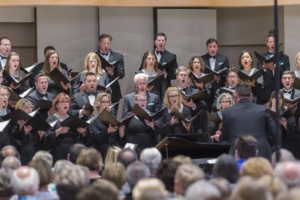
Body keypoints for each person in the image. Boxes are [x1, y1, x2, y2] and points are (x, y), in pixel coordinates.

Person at [211, 81, 276, 161]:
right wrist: (261, 140)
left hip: (238, 155)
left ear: (234, 96)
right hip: (261, 155)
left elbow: (226, 138)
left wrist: (219, 138)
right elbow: (274, 131)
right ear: (251, 96)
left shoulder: (228, 113)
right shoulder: (262, 110)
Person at [44, 93, 88, 163]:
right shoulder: (51, 118)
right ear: (57, 105)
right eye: (62, 102)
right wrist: (59, 131)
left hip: (72, 151)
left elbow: (78, 138)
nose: (65, 104)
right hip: (58, 151)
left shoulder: (72, 118)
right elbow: (45, 137)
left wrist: (83, 133)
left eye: (67, 102)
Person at [256, 32, 290, 104]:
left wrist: (274, 69)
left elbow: (287, 74)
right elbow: (257, 74)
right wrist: (264, 68)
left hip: (279, 91)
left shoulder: (284, 57)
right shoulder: (261, 58)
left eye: (274, 41)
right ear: (267, 44)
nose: (272, 43)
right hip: (265, 93)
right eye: (270, 42)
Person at [10, 99, 45, 165]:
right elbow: (14, 144)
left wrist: (40, 137)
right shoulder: (14, 123)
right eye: (26, 108)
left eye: (30, 107)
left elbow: (37, 144)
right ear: (20, 110)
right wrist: (24, 132)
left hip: (33, 156)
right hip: (21, 157)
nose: (29, 110)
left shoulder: (34, 123)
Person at [175, 66, 208, 133]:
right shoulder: (171, 92)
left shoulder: (196, 91)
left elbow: (204, 106)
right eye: (181, 75)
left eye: (185, 75)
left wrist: (193, 105)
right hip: (176, 127)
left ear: (188, 78)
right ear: (177, 77)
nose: (183, 76)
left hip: (193, 127)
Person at [96, 34, 125, 107]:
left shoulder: (118, 56)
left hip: (114, 92)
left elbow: (122, 74)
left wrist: (112, 73)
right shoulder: (94, 56)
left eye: (108, 44)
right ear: (99, 44)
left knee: (113, 116)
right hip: (98, 91)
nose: (106, 45)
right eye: (104, 43)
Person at [88, 93, 119, 159]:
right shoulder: (93, 118)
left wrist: (120, 128)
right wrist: (107, 131)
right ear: (98, 103)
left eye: (107, 102)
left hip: (113, 148)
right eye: (103, 102)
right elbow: (94, 136)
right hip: (100, 149)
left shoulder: (112, 115)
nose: (106, 104)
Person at [201, 38, 229, 108]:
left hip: (219, 88)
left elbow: (227, 75)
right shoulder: (201, 59)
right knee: (205, 108)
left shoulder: (224, 58)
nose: (212, 49)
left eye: (214, 46)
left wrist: (220, 78)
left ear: (217, 47)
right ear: (207, 48)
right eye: (210, 47)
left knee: (218, 108)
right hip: (206, 89)